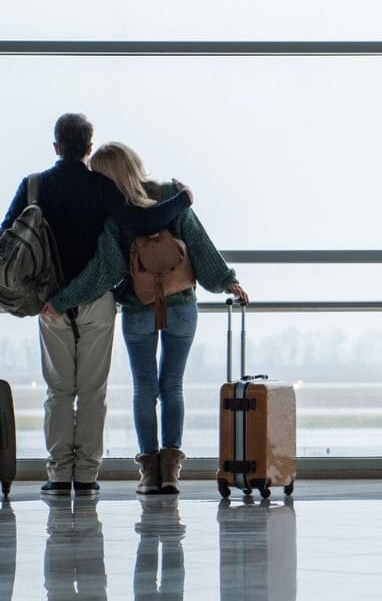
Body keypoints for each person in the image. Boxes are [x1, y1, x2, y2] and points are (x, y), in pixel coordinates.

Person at [1, 114, 193, 498]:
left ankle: (58, 476)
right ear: (89, 148)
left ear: (56, 146)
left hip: (49, 303)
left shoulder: (34, 186)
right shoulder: (100, 186)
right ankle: (86, 476)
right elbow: (141, 221)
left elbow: (7, 239)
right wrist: (181, 199)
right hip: (97, 304)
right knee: (93, 391)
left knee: (58, 391)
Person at [45, 142, 248, 495]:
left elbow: (102, 272)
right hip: (181, 305)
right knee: (173, 386)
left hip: (139, 310)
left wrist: (62, 301)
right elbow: (200, 246)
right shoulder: (171, 197)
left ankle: (149, 472)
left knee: (145, 388)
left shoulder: (116, 218)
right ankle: (171, 471)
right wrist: (227, 280)